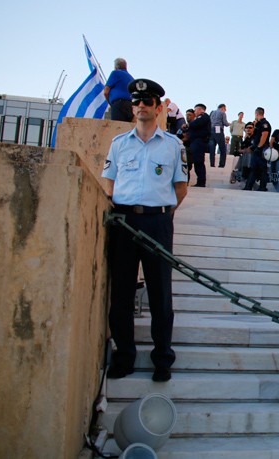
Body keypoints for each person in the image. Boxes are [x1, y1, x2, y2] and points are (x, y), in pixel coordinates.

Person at [101, 78, 188, 382]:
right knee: (122, 292)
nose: (140, 106)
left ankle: (162, 358)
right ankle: (124, 357)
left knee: (160, 293)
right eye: (136, 102)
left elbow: (180, 187)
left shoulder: (174, 145)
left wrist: (161, 213)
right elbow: (109, 182)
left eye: (147, 102)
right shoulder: (119, 144)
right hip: (124, 222)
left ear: (159, 107)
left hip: (157, 223)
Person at [243, 107, 271, 191]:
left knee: (262, 168)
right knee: (254, 168)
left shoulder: (264, 123)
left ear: (256, 114)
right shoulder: (258, 124)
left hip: (261, 149)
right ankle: (248, 186)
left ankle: (262, 187)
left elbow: (264, 134)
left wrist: (259, 147)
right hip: (256, 148)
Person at [184, 103, 211, 187]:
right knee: (196, 162)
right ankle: (200, 181)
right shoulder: (200, 118)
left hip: (198, 143)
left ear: (199, 109)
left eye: (195, 110)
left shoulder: (204, 116)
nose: (194, 112)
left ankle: (201, 182)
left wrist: (188, 125)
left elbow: (197, 123)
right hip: (195, 143)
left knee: (198, 162)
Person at [103, 58, 134, 122]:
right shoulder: (131, 78)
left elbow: (106, 92)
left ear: (116, 67)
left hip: (119, 105)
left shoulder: (115, 73)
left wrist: (111, 104)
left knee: (117, 128)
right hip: (130, 107)